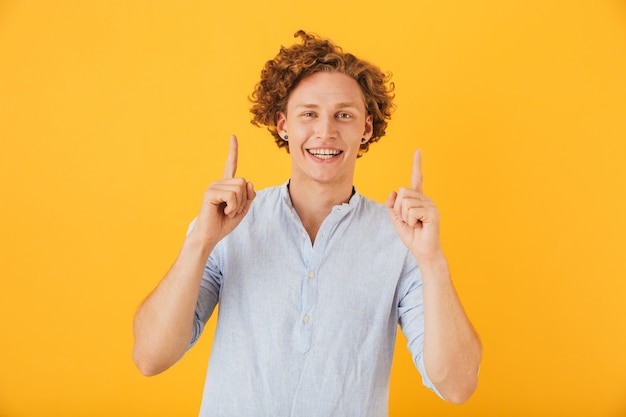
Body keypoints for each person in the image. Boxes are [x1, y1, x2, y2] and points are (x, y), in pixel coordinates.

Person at [132, 30, 482, 416]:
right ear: (283, 125)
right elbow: (150, 357)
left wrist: (432, 261)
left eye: (344, 115)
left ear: (366, 128)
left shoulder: (401, 239)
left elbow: (458, 385)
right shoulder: (227, 223)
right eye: (309, 114)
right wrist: (199, 242)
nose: (326, 132)